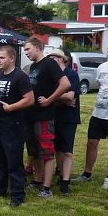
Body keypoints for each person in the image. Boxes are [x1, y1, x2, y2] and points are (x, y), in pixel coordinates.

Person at [23, 40, 71, 198]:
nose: (26, 53)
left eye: (28, 49)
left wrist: (49, 100)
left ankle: (46, 187)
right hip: (30, 114)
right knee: (34, 150)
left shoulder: (49, 63)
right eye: (25, 50)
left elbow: (65, 84)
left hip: (44, 116)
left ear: (37, 48)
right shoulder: (34, 66)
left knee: (47, 151)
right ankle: (37, 180)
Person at [0, 45, 35, 208]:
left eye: (2, 58)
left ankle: (17, 195)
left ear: (12, 58)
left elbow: (29, 99)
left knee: (13, 160)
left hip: (12, 124)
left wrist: (11, 107)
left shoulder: (20, 76)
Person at [74, 41, 108, 189]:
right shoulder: (101, 67)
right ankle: (87, 173)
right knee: (91, 142)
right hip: (98, 111)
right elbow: (100, 85)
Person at [54, 51, 81, 196]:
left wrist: (52, 97)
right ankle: (59, 172)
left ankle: (66, 181)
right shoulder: (52, 74)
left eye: (53, 58)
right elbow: (45, 93)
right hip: (54, 115)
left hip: (69, 117)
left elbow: (71, 95)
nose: (51, 60)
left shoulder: (71, 74)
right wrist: (60, 98)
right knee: (57, 148)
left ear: (61, 59)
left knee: (67, 150)